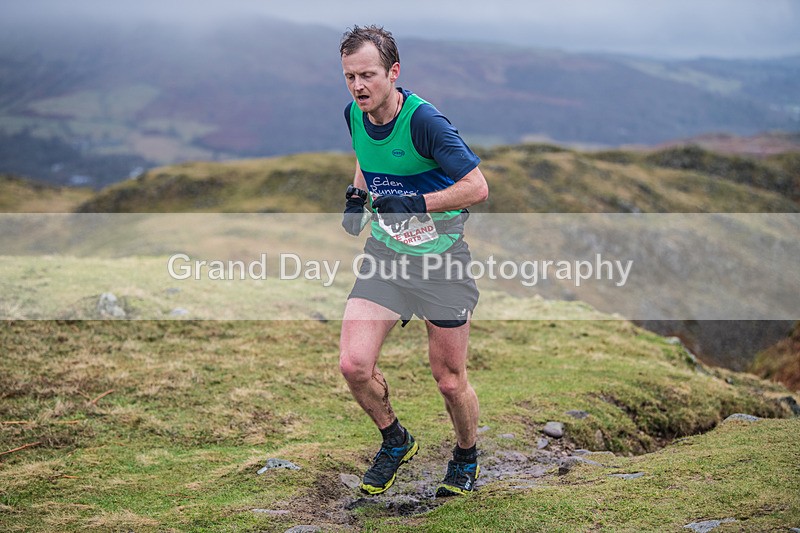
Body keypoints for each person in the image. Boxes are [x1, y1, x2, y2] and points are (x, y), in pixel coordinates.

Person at [338, 25, 489, 497]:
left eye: (367, 75)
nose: (358, 86)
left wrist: (416, 204)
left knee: (448, 380)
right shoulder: (354, 114)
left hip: (441, 262)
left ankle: (465, 455)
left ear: (394, 72)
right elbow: (366, 155)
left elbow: (478, 188)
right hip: (385, 256)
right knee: (353, 365)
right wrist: (358, 194)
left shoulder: (426, 123)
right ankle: (395, 439)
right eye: (349, 76)